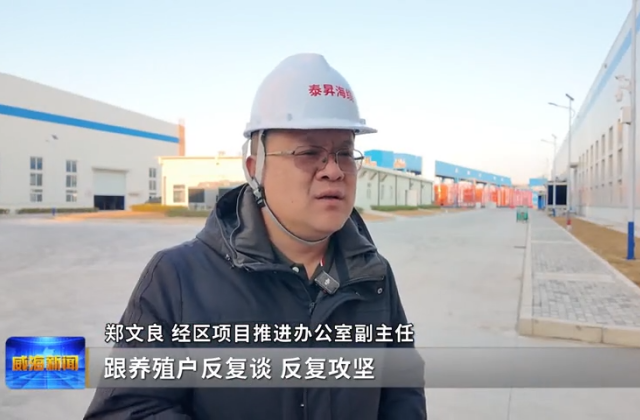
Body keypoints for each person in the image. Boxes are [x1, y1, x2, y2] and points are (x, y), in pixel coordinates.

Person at [84, 53, 427, 420]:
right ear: (255, 169)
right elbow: (127, 410)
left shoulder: (373, 276)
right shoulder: (178, 278)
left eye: (344, 153)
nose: (333, 170)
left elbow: (402, 395)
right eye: (309, 152)